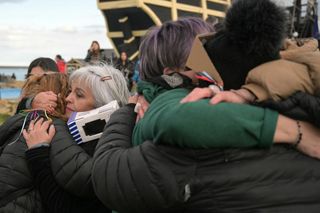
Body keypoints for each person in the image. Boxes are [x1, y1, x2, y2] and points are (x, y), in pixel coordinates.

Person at [92, 15, 320, 213]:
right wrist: (296, 132)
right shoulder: (173, 99)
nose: (219, 60)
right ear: (172, 74)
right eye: (205, 56)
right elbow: (181, 118)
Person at [23, 64, 130, 213]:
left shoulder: (105, 150)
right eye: (69, 92)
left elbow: (66, 206)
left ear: (104, 107)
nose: (67, 99)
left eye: (79, 95)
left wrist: (38, 153)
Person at [0, 72, 68, 213]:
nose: (70, 99)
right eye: (68, 92)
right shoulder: (40, 126)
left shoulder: (24, 119)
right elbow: (6, 182)